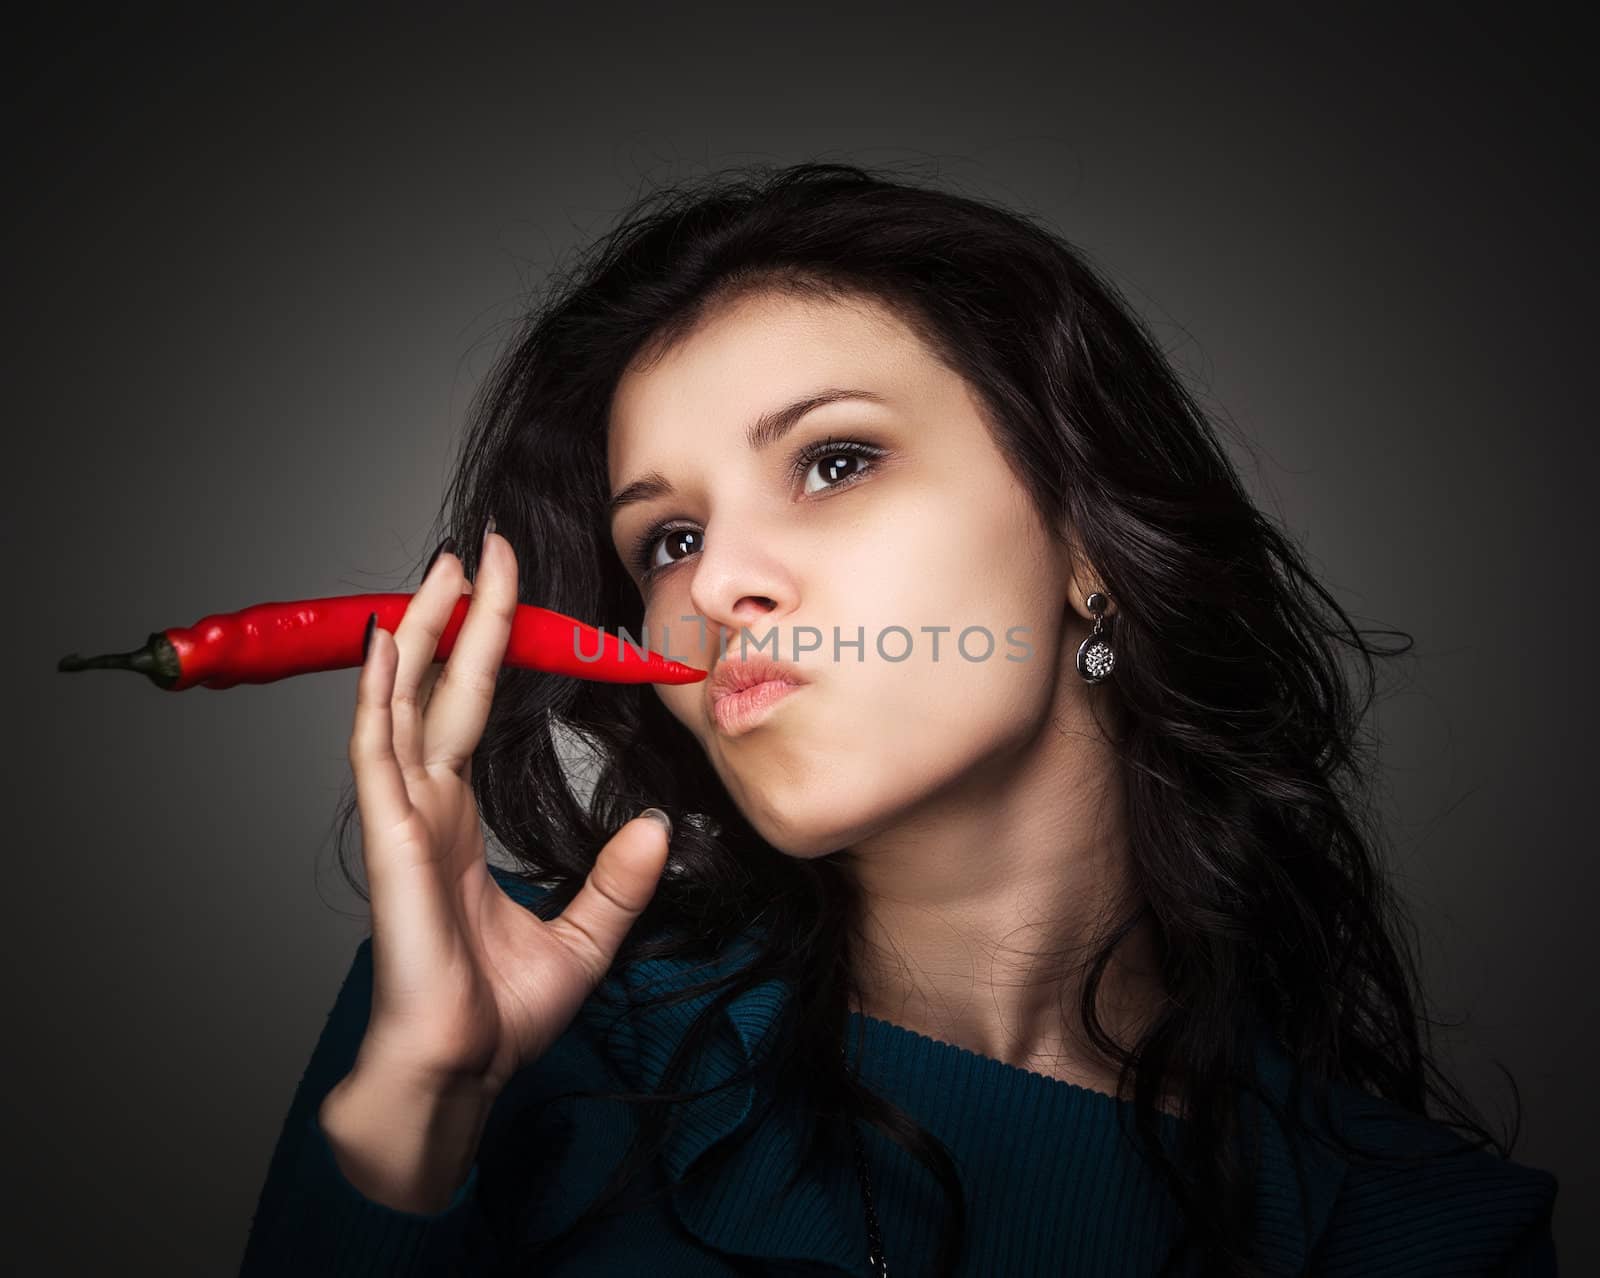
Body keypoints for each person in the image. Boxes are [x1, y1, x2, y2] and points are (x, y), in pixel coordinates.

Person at [238, 162, 1559, 1277]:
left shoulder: (1420, 1227)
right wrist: (412, 1115)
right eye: (669, 537)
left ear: (1087, 535)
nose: (715, 584)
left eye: (833, 460)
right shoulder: (512, 1034)